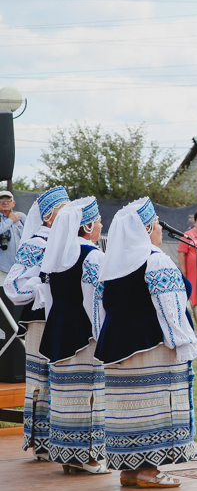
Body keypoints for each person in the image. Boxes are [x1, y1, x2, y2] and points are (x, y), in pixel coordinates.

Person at [95, 197, 197, 488]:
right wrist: (182, 342)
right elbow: (171, 306)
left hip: (116, 345)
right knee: (152, 404)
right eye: (156, 226)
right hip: (150, 345)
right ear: (147, 228)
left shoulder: (111, 265)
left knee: (129, 407)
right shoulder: (155, 259)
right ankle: (149, 471)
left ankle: (129, 470)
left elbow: (103, 307)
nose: (160, 232)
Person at [37, 197, 109, 475]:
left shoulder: (58, 254)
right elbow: (95, 301)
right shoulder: (92, 255)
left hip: (59, 328)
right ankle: (87, 457)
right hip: (83, 334)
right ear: (88, 225)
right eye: (99, 220)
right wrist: (100, 334)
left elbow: (52, 298)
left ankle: (68, 454)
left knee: (66, 394)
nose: (101, 225)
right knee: (87, 393)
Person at [5, 185, 70, 460]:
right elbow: (15, 285)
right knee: (41, 379)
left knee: (64, 379)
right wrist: (45, 286)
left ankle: (63, 439)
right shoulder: (35, 243)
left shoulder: (70, 243)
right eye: (64, 212)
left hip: (66, 318)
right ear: (49, 216)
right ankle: (42, 443)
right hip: (41, 320)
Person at [0, 190, 25, 284]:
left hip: (20, 267)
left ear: (13, 203)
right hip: (2, 268)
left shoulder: (21, 217)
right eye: (2, 199)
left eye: (8, 200)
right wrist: (10, 220)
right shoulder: (12, 218)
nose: (5, 202)